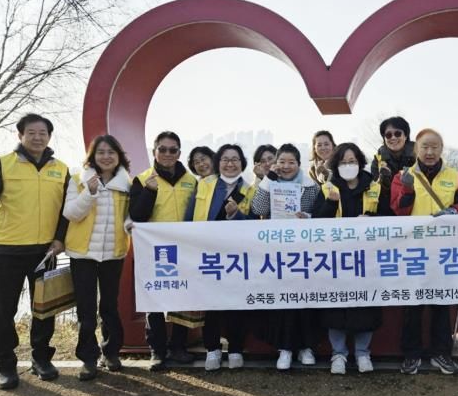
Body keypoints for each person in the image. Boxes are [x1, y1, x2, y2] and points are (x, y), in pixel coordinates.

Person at [391, 128, 458, 375]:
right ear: (416, 149)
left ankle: (441, 353)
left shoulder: (455, 177)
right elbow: (398, 211)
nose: (429, 151)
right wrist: (407, 190)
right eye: (425, 146)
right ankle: (411, 355)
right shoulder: (403, 176)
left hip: (444, 252)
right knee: (412, 306)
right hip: (414, 252)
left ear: (441, 149)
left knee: (441, 304)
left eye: (434, 147)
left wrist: (454, 211)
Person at [0, 113, 69, 390]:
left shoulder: (61, 169)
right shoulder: (3, 164)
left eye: (43, 133)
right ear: (20, 135)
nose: (37, 138)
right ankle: (5, 363)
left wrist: (60, 238)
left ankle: (41, 358)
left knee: (44, 309)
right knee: (3, 310)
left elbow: (65, 210)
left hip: (45, 252)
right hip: (7, 250)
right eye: (32, 132)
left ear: (49, 137)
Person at [63, 135, 132, 381]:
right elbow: (71, 213)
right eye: (101, 152)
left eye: (111, 152)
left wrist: (131, 224)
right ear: (92, 156)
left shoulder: (127, 184)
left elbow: (130, 216)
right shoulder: (78, 180)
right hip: (82, 253)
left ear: (119, 156)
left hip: (114, 253)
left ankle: (111, 352)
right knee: (86, 309)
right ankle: (88, 358)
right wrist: (89, 193)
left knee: (110, 306)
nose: (106, 157)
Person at [129, 131, 198, 371]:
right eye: (163, 149)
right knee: (155, 300)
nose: (168, 154)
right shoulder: (142, 180)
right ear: (154, 151)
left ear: (179, 153)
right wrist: (149, 191)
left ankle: (178, 347)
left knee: (183, 298)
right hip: (155, 250)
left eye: (173, 150)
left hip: (185, 249)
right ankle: (157, 351)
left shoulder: (191, 181)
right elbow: (137, 215)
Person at [312, 143, 382, 374]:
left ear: (360, 163)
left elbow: (389, 218)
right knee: (336, 307)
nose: (348, 166)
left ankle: (363, 353)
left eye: (352, 161)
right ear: (335, 165)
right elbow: (316, 224)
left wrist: (371, 218)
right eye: (343, 162)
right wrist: (331, 202)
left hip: (366, 259)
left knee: (365, 307)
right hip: (336, 260)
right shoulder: (327, 188)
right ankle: (339, 354)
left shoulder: (375, 187)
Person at [185, 144, 255, 372]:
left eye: (235, 159)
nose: (230, 163)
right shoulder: (205, 184)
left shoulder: (249, 189)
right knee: (211, 303)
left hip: (236, 255)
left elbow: (256, 225)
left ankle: (235, 349)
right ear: (218, 162)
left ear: (242, 163)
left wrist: (236, 215)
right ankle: (212, 349)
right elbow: (189, 216)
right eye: (225, 159)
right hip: (207, 252)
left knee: (236, 303)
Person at [250, 143, 321, 370]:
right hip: (277, 251)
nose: (286, 166)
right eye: (281, 161)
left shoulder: (310, 186)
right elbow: (258, 209)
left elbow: (321, 214)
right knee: (283, 301)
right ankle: (285, 348)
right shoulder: (270, 181)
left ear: (299, 164)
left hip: (304, 251)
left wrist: (308, 217)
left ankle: (306, 347)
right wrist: (269, 179)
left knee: (305, 300)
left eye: (291, 162)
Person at [371, 116, 416, 216]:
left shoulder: (419, 156)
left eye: (397, 133)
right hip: (387, 214)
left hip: (415, 212)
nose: (393, 138)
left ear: (406, 135)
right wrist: (384, 183)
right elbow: (374, 192)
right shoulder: (377, 161)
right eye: (388, 135)